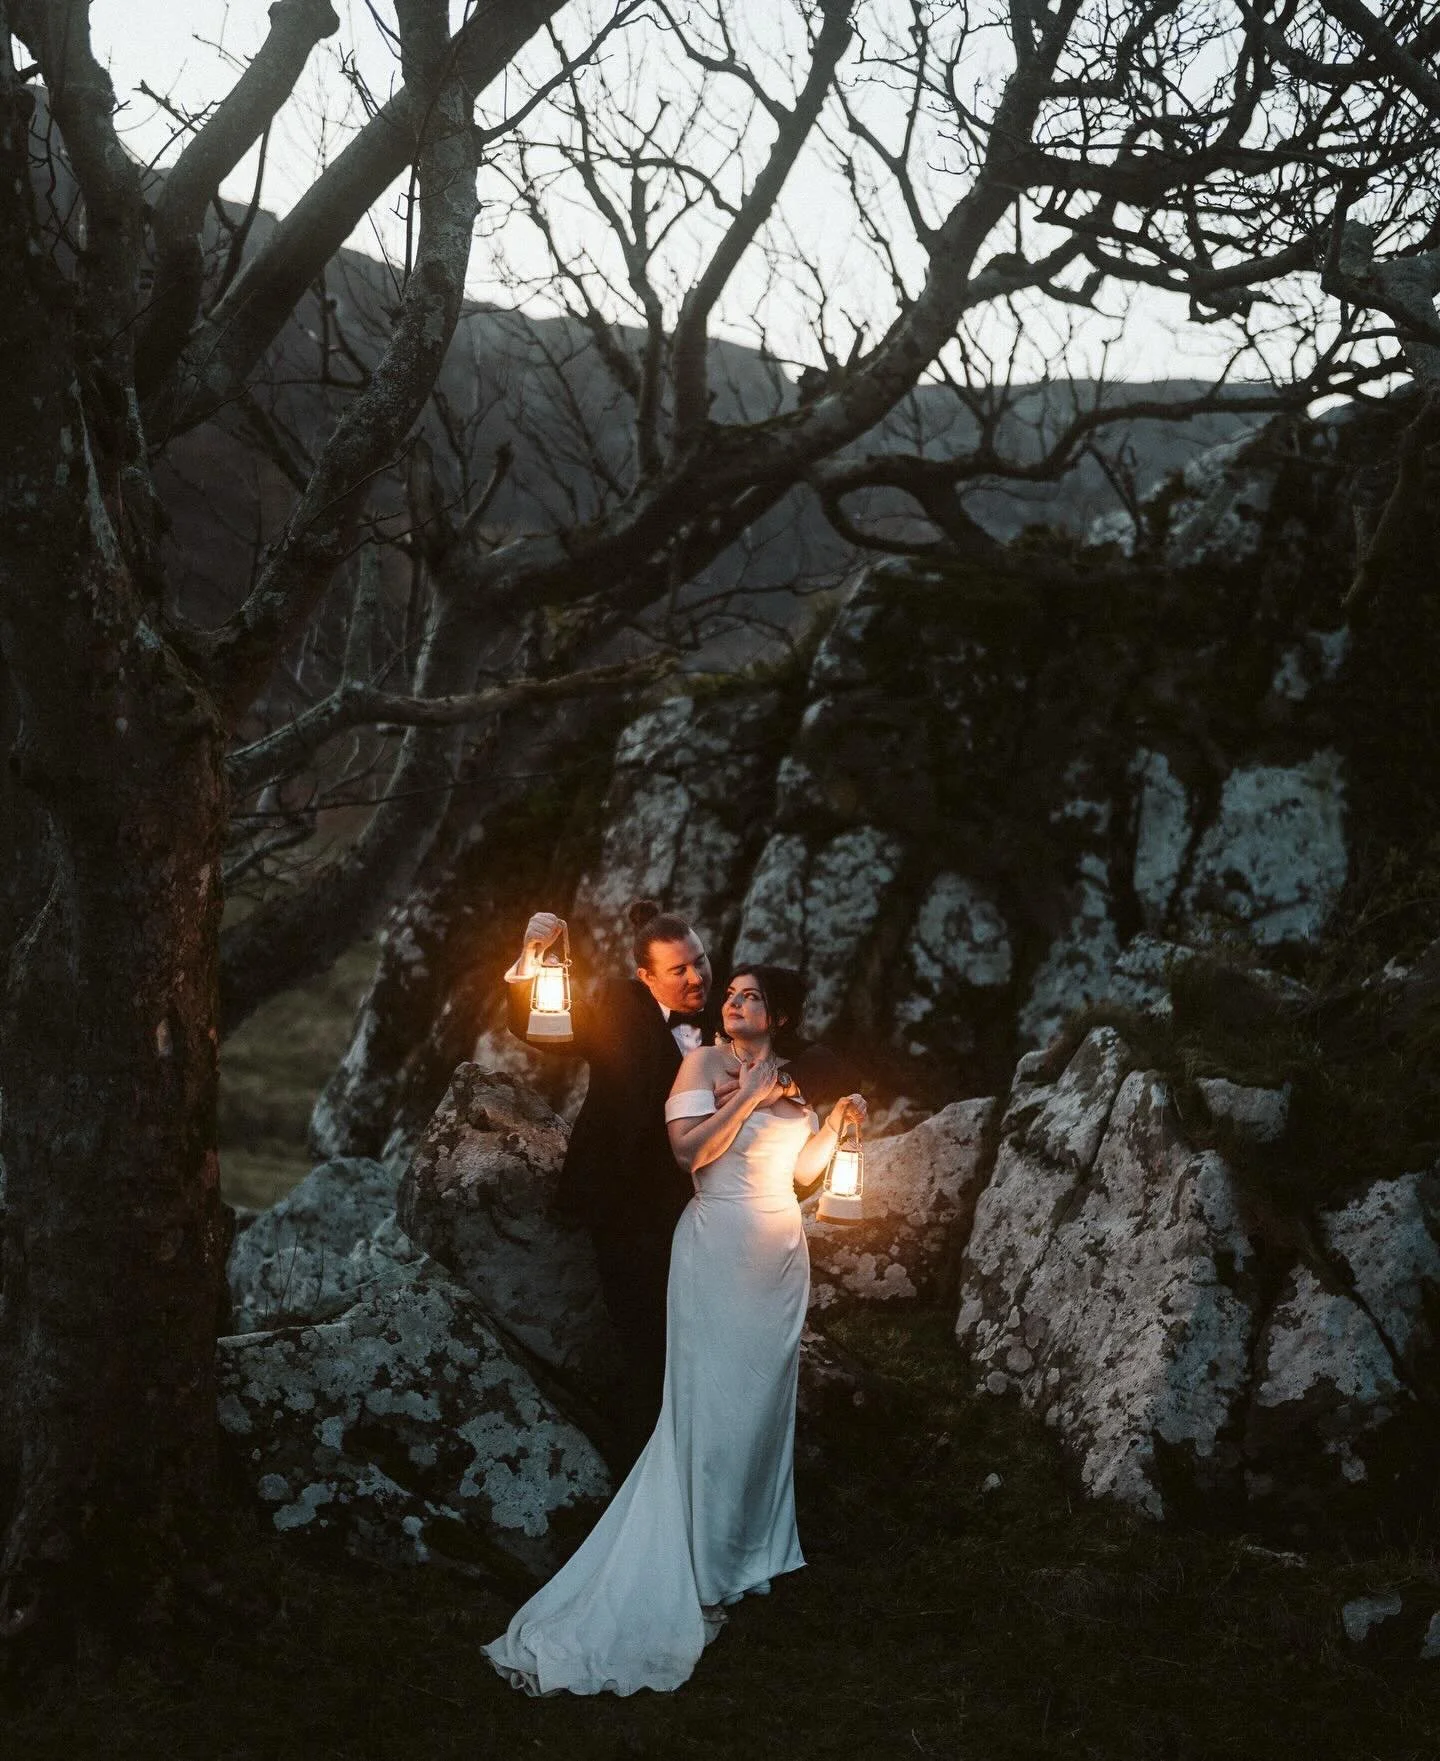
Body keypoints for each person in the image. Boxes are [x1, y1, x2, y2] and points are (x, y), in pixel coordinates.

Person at [485, 963, 866, 1697]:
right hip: (715, 1244)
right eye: (733, 994)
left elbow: (805, 1173)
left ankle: (746, 1554)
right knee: (711, 1408)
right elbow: (690, 1152)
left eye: (751, 996)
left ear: (779, 1016)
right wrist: (749, 1095)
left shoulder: (794, 1081)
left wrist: (840, 1127)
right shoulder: (702, 1063)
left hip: (780, 1255)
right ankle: (693, 1564)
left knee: (759, 1410)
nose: (735, 1002)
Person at [505, 900, 720, 1461]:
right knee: (647, 1348)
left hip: (708, 1206)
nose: (696, 976)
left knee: (705, 1344)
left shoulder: (728, 1011)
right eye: (679, 970)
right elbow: (538, 1027)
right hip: (626, 1208)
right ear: (646, 977)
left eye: (700, 961)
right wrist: (531, 957)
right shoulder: (619, 1009)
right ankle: (643, 1474)